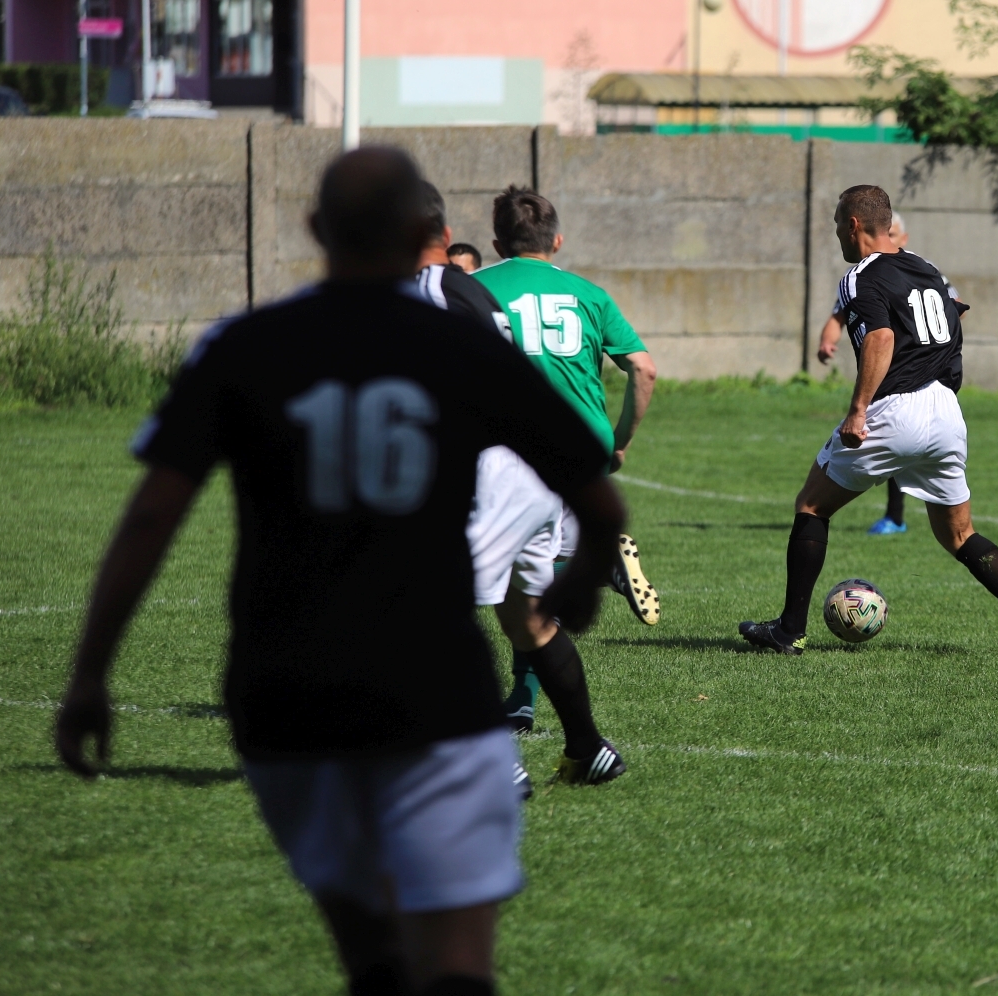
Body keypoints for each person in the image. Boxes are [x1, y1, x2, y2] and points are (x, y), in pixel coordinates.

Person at [55, 147, 626, 996]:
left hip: (281, 689)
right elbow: (591, 480)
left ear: (316, 230)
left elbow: (149, 517)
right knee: (459, 961)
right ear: (430, 235)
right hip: (434, 684)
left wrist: (91, 674)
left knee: (372, 957)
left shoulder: (244, 346)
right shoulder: (461, 348)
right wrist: (579, 580)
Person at [739, 185, 998, 656]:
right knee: (959, 534)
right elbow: (956, 315)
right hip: (946, 410)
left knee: (811, 506)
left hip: (894, 408)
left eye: (836, 227)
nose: (838, 238)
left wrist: (858, 409)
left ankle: (789, 631)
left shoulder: (859, 276)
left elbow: (881, 340)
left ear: (852, 226)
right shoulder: (928, 268)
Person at [414, 181, 626, 788]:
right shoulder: (464, 291)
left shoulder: (427, 292)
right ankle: (587, 748)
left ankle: (494, 763)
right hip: (533, 475)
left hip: (486, 476)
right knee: (527, 618)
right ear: (446, 236)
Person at [471, 186, 662, 749]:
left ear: (496, 243)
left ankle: (516, 702)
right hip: (581, 449)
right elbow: (644, 370)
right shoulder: (588, 294)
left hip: (506, 454)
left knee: (493, 584)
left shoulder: (476, 289)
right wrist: (619, 439)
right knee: (541, 571)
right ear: (556, 240)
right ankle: (594, 565)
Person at [816, 211, 963, 538]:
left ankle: (894, 517)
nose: (888, 241)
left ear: (902, 238)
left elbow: (955, 307)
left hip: (912, 390)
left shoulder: (923, 270)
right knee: (960, 537)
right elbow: (838, 314)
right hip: (934, 401)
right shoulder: (867, 278)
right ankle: (895, 517)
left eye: (893, 235)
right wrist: (827, 342)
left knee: (811, 506)